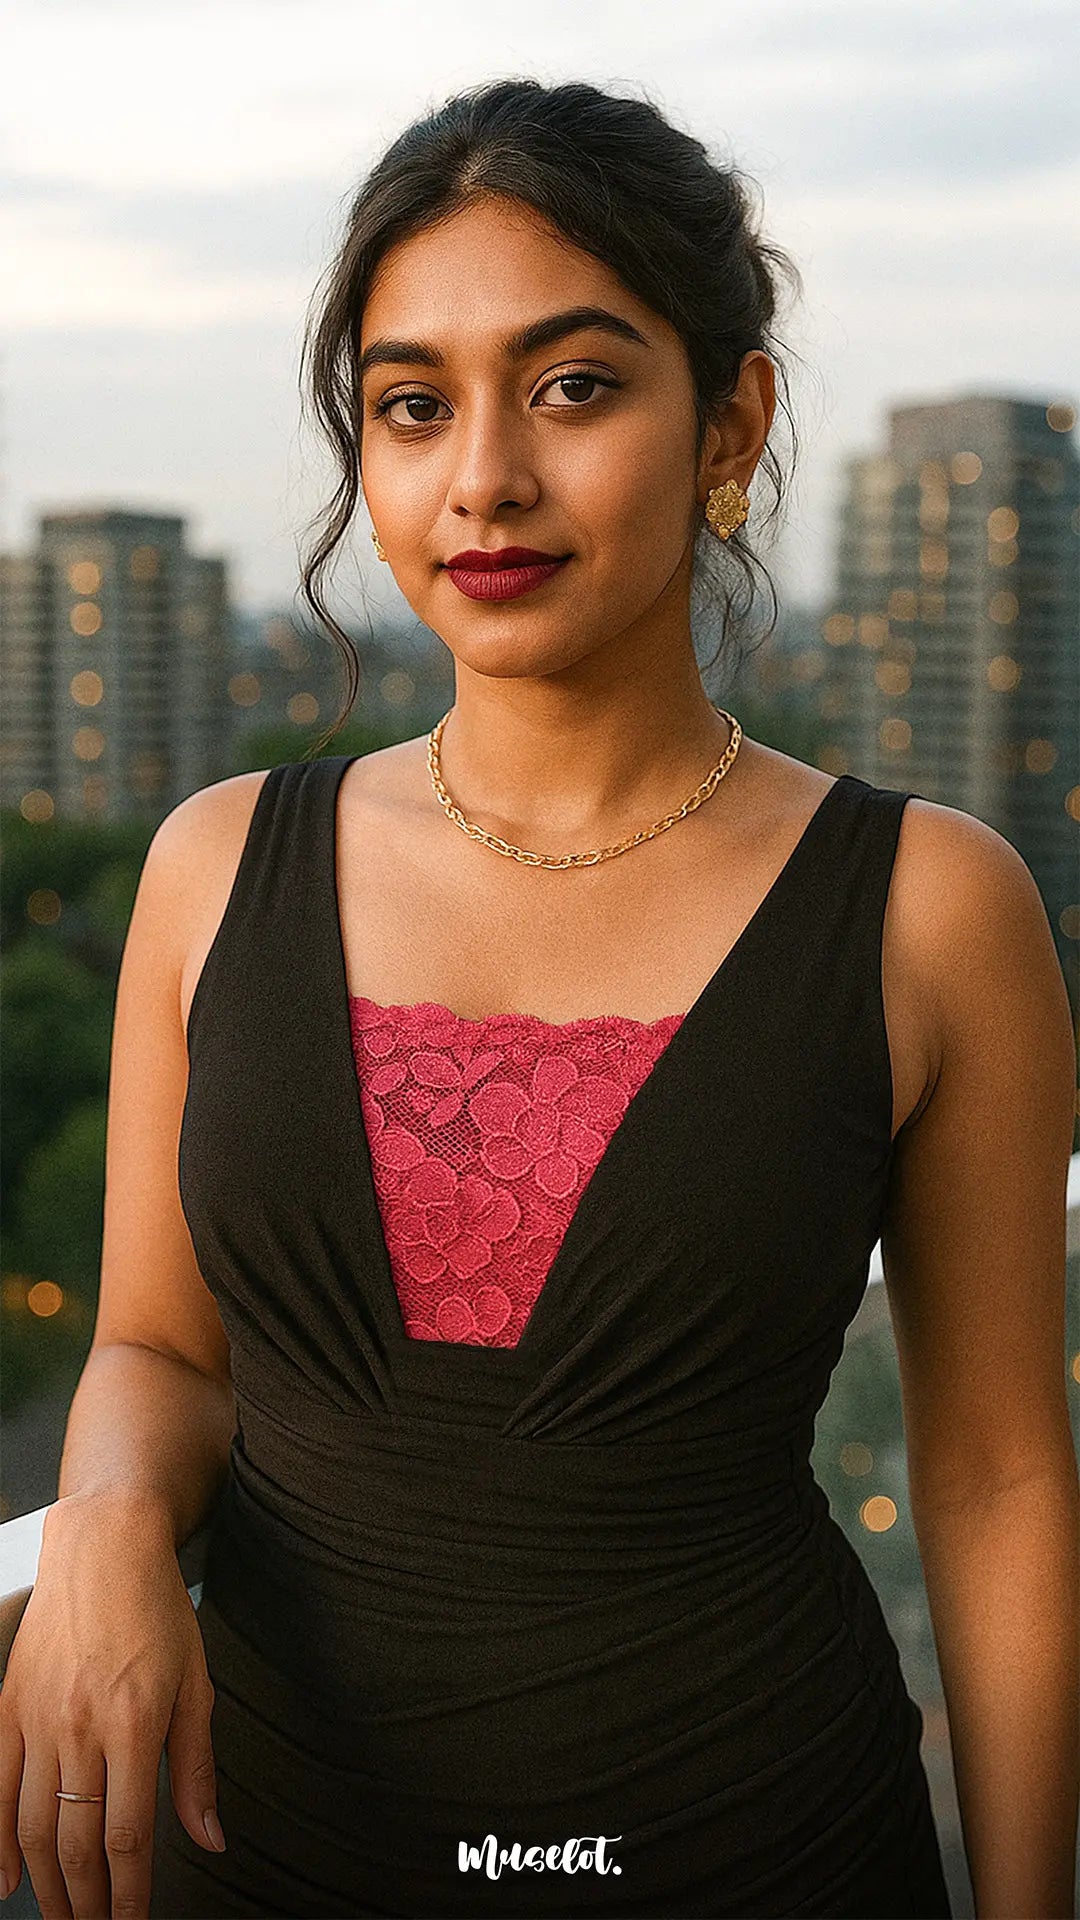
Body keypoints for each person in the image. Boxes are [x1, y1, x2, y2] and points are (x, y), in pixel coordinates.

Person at [1, 75, 1076, 1920]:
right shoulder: (212, 866)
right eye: (414, 406)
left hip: (762, 1845)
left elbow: (989, 1481)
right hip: (264, 1856)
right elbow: (162, 1353)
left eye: (574, 386)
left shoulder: (930, 907)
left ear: (730, 418)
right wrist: (100, 1516)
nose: (484, 476)